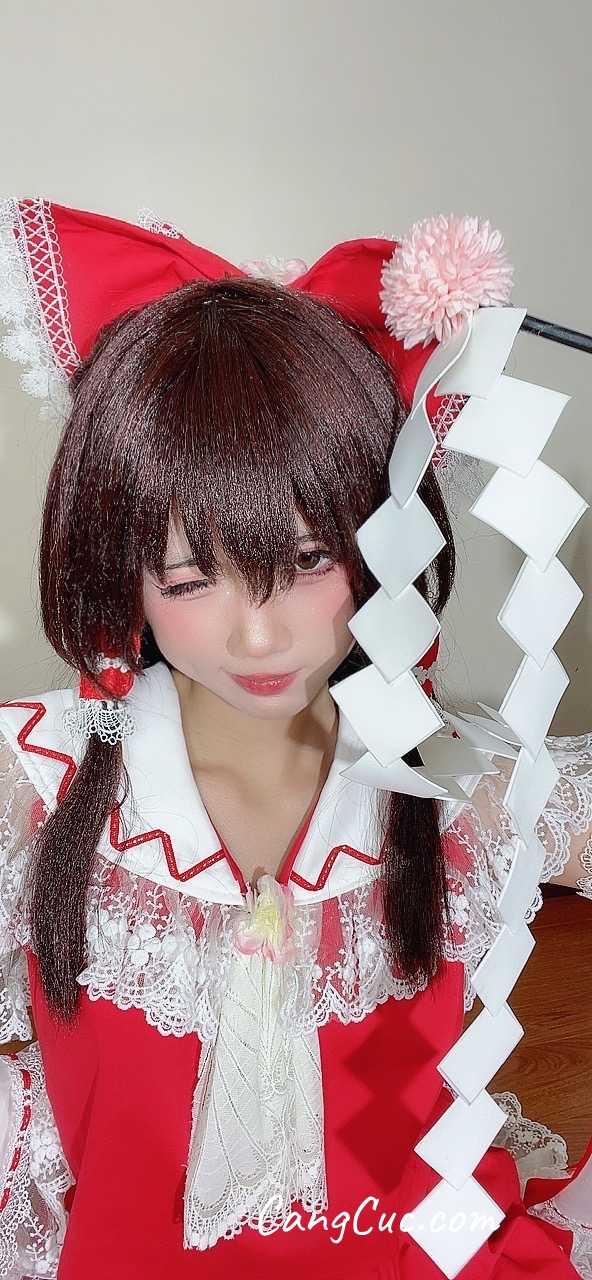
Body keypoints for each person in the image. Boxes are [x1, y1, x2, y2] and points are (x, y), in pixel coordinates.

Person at [0, 199, 590, 1279]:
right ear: (119, 567)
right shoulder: (38, 776)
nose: (259, 635)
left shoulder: (460, 785)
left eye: (311, 560)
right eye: (190, 577)